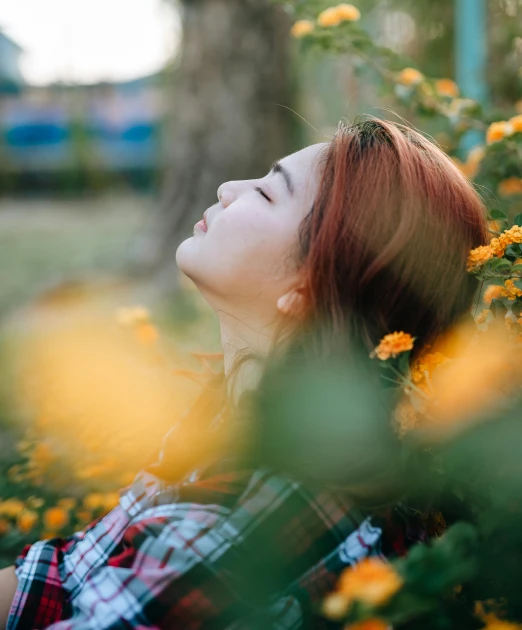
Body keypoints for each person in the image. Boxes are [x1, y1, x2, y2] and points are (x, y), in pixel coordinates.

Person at [0, 117, 489, 630]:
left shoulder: (255, 513)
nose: (227, 188)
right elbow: (72, 572)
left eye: (267, 191)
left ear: (310, 285)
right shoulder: (234, 420)